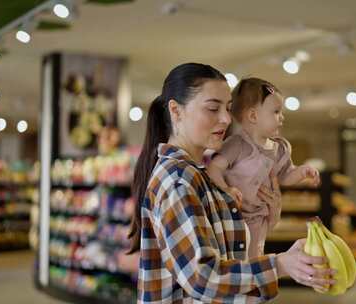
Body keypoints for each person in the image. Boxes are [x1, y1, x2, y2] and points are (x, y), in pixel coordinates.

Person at [128, 63, 334, 303]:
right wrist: (279, 265)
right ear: (176, 111)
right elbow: (202, 277)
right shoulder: (178, 180)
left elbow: (227, 255)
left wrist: (269, 218)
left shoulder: (203, 176)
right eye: (213, 108)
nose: (226, 119)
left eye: (227, 108)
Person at [207, 78, 320, 258]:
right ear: (253, 116)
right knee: (234, 257)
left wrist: (302, 172)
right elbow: (213, 168)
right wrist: (226, 189)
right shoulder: (237, 145)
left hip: (259, 217)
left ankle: (254, 281)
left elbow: (285, 177)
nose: (282, 117)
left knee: (255, 255)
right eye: (276, 111)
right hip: (234, 214)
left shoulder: (279, 148)